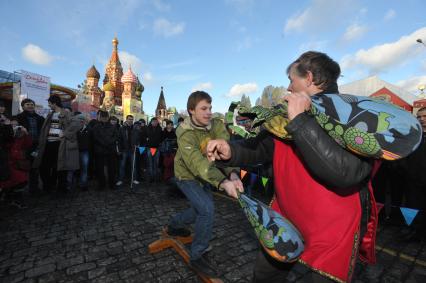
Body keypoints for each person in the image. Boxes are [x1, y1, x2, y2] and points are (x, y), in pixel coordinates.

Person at [207, 51, 377, 283]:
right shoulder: (283, 115)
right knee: (264, 276)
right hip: (285, 217)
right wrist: (231, 150)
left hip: (332, 231)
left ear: (308, 78)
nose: (288, 87)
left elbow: (348, 174)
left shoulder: (353, 117)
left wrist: (300, 122)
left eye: (291, 79)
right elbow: (260, 148)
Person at [167, 91, 243, 278]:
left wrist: (233, 174)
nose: (209, 112)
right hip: (187, 176)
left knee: (200, 209)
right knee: (207, 209)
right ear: (191, 110)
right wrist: (222, 182)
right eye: (203, 108)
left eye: (210, 107)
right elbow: (196, 163)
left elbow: (227, 153)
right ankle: (197, 255)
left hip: (208, 174)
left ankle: (174, 225)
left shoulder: (217, 125)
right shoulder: (184, 132)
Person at [33, 95, 71, 193]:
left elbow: (71, 127)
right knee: (43, 166)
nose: (49, 105)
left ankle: (61, 187)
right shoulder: (50, 114)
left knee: (60, 167)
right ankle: (48, 185)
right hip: (48, 143)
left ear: (54, 103)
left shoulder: (66, 113)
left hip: (59, 144)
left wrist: (64, 133)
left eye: (50, 103)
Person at [16, 98, 45, 195]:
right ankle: (18, 191)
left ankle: (34, 189)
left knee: (35, 167)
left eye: (32, 104)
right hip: (23, 147)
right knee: (21, 167)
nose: (30, 106)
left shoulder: (40, 118)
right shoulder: (18, 118)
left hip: (36, 146)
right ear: (23, 106)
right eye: (28, 104)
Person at [91, 111, 119, 190]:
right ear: (100, 117)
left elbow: (116, 137)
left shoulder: (113, 127)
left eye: (105, 117)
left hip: (110, 150)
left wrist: (108, 142)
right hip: (100, 150)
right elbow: (95, 138)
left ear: (107, 117)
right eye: (103, 117)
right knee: (99, 168)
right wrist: (105, 143)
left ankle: (112, 184)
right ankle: (101, 184)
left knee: (112, 168)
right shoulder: (96, 127)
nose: (104, 119)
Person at [146, 117, 163, 182]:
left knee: (156, 163)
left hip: (157, 148)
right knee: (150, 163)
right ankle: (151, 177)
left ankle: (155, 177)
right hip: (149, 148)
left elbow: (161, 137)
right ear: (151, 122)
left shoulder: (160, 129)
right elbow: (144, 136)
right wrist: (147, 141)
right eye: (153, 121)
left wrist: (159, 143)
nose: (155, 123)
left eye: (156, 122)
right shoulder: (147, 128)